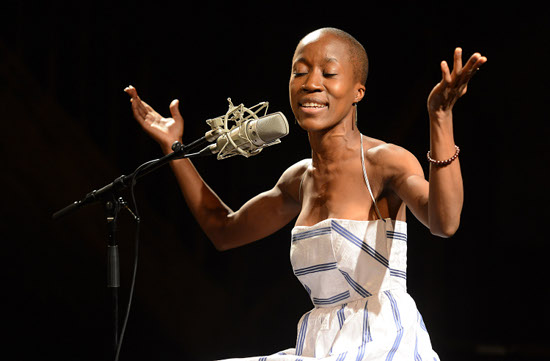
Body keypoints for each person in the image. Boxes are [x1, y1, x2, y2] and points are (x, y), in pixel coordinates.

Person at [124, 27, 487, 361]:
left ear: (358, 91)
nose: (311, 83)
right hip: (318, 344)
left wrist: (440, 116)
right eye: (300, 72)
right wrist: (174, 148)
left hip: (381, 340)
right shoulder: (299, 179)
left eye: (329, 74)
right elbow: (224, 229)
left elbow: (445, 221)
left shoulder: (384, 163)